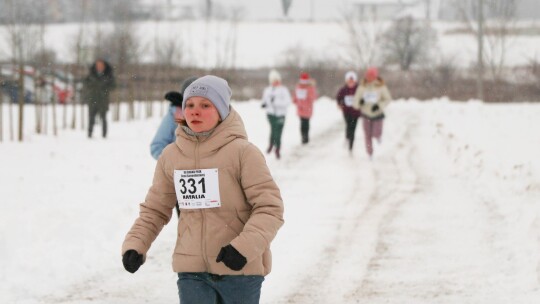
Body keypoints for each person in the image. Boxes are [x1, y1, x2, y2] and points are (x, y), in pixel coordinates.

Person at [122, 75, 285, 304]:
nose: (195, 111)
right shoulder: (171, 156)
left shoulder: (243, 153)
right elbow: (155, 209)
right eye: (190, 105)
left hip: (239, 270)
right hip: (192, 270)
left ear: (221, 110)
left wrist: (243, 248)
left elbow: (270, 209)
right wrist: (135, 244)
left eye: (205, 105)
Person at [150, 76, 198, 160]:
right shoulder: (174, 116)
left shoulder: (213, 116)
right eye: (190, 102)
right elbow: (157, 146)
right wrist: (173, 162)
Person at [353, 67, 392, 159]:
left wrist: (379, 105)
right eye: (368, 75)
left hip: (377, 113)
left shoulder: (381, 86)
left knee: (375, 133)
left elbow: (388, 99)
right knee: (367, 135)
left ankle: (378, 136)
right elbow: (356, 101)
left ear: (375, 76)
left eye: (372, 76)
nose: (369, 77)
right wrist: (360, 103)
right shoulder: (362, 87)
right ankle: (369, 153)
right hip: (366, 114)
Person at [261, 69, 291, 159]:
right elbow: (265, 100)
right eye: (273, 81)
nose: (275, 82)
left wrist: (275, 102)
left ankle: (277, 148)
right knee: (273, 130)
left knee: (278, 132)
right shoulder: (267, 90)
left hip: (281, 115)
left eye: (277, 80)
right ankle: (271, 145)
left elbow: (287, 102)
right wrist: (265, 104)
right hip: (271, 114)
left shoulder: (283, 90)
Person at [82, 59, 115, 138]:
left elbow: (113, 86)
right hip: (92, 99)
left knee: (103, 117)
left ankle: (104, 135)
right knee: (91, 117)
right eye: (98, 65)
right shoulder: (91, 75)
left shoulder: (108, 75)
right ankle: (89, 134)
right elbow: (85, 83)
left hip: (103, 100)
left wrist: (105, 86)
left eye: (101, 65)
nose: (99, 67)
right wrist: (92, 85)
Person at [336, 71, 362, 152]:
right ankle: (347, 137)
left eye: (352, 80)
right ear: (346, 81)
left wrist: (361, 104)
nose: (351, 82)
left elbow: (363, 98)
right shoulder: (343, 90)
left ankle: (351, 145)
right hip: (346, 111)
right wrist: (340, 104)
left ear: (355, 80)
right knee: (348, 125)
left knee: (353, 128)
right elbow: (338, 97)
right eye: (349, 80)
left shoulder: (359, 89)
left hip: (356, 112)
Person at [292, 72, 318, 144]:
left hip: (307, 109)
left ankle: (306, 137)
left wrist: (308, 96)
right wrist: (294, 100)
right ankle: (303, 137)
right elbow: (295, 96)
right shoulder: (298, 87)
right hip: (300, 109)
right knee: (302, 123)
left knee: (306, 123)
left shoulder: (310, 88)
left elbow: (314, 97)